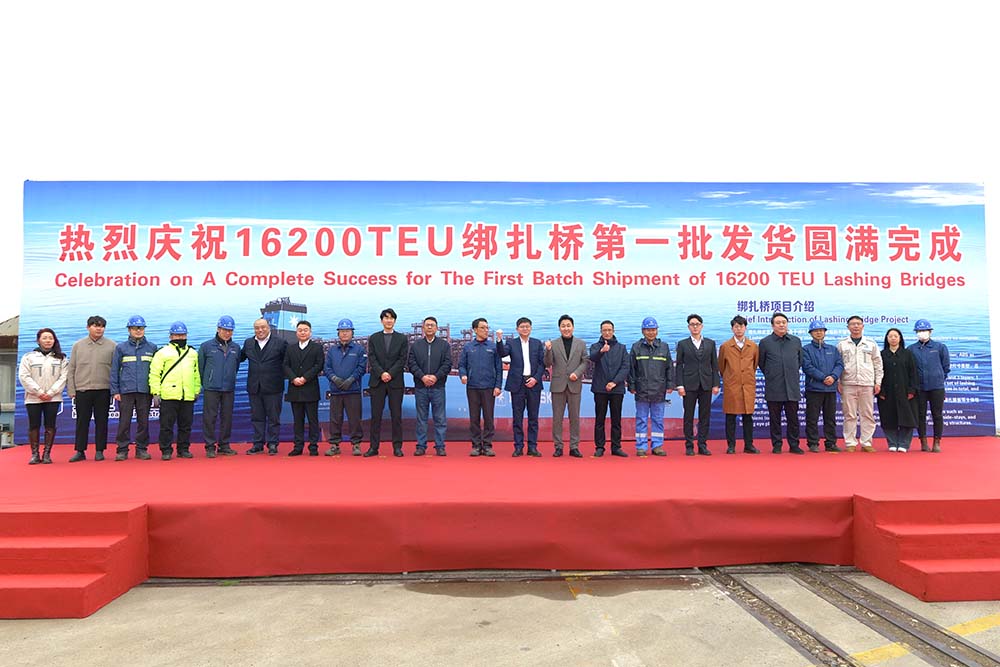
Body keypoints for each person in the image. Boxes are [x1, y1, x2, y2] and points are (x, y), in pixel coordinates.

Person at [66, 315, 116, 462]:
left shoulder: (112, 345)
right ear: (88, 327)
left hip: (103, 390)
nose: (99, 329)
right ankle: (80, 451)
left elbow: (116, 370)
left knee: (102, 421)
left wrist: (115, 390)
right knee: (82, 422)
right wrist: (71, 389)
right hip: (83, 390)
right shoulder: (78, 345)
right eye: (95, 326)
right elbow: (71, 368)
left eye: (101, 326)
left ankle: (100, 450)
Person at [149, 322, 201, 460]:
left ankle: (183, 449)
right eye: (177, 335)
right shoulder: (162, 352)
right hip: (169, 395)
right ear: (171, 336)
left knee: (186, 426)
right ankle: (166, 450)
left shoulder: (192, 353)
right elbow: (154, 374)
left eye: (183, 335)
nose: (180, 337)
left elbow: (196, 374)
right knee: (166, 426)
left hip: (187, 395)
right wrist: (156, 392)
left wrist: (196, 390)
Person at [496, 317, 545, 457]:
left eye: (527, 326)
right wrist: (499, 340)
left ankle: (532, 447)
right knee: (517, 417)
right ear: (517, 329)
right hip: (517, 384)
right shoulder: (511, 343)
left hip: (533, 383)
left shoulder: (537, 343)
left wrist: (535, 378)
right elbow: (502, 353)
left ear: (531, 328)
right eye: (522, 327)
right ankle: (518, 447)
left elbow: (542, 364)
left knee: (533, 417)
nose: (525, 329)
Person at [110, 315, 158, 461]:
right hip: (126, 391)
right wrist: (115, 391)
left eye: (141, 328)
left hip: (145, 391)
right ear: (129, 329)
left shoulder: (152, 348)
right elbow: (114, 370)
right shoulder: (121, 348)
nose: (138, 331)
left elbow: (156, 371)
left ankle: (141, 449)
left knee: (143, 422)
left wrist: (155, 390)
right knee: (124, 422)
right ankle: (122, 450)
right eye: (135, 328)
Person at [18, 328, 68, 465]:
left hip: (53, 397)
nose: (48, 341)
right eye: (44, 338)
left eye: (50, 338)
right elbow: (24, 376)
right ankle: (35, 454)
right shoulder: (28, 357)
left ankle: (47, 454)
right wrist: (38, 391)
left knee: (50, 425)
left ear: (54, 340)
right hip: (33, 397)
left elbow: (64, 377)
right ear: (38, 340)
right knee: (34, 425)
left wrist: (51, 392)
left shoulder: (61, 358)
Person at [758, 312, 804, 454]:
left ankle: (794, 445)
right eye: (778, 323)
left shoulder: (796, 341)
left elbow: (799, 361)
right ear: (772, 326)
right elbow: (762, 363)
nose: (781, 325)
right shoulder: (765, 342)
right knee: (775, 419)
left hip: (792, 386)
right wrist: (773, 374)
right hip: (774, 386)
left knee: (793, 418)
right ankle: (777, 444)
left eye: (784, 322)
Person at [240, 317, 288, 455]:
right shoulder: (248, 343)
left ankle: (273, 444)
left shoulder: (280, 343)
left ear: (269, 328)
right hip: (254, 387)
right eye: (257, 328)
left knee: (273, 418)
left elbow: (288, 363)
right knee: (257, 418)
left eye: (263, 327)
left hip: (273, 387)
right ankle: (258, 444)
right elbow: (239, 358)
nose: (260, 330)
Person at [627, 317, 674, 457]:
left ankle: (657, 446)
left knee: (658, 419)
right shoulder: (636, 347)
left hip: (659, 389)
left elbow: (669, 368)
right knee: (641, 419)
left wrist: (670, 384)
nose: (651, 332)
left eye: (653, 329)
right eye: (648, 330)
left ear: (657, 331)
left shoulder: (664, 347)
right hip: (641, 389)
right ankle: (641, 446)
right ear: (643, 331)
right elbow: (631, 368)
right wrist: (632, 385)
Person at [674, 314, 720, 456]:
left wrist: (716, 384)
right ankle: (689, 445)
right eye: (692, 324)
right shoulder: (682, 344)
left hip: (706, 384)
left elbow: (714, 366)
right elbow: (679, 366)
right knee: (688, 416)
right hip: (689, 385)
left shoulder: (710, 343)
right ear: (689, 327)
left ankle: (702, 445)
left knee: (704, 416)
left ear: (702, 326)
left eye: (697, 324)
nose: (695, 327)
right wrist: (679, 385)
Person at [365, 307, 408, 457]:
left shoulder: (402, 339)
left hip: (395, 382)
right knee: (375, 416)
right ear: (381, 320)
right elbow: (372, 358)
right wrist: (382, 373)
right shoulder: (374, 338)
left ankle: (397, 447)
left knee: (396, 416)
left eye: (391, 318)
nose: (388, 320)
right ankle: (373, 447)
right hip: (377, 381)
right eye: (386, 318)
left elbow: (402, 359)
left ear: (394, 321)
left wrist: (390, 373)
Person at [544, 314, 588, 458]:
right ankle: (558, 446)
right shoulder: (553, 343)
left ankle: (574, 446)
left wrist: (577, 373)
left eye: (568, 325)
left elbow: (585, 362)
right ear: (559, 328)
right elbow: (548, 363)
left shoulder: (581, 344)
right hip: (558, 386)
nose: (566, 328)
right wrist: (548, 350)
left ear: (573, 327)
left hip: (574, 384)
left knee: (574, 417)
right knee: (557, 418)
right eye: (563, 326)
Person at [837, 315, 883, 453]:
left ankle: (866, 443)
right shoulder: (842, 344)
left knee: (867, 414)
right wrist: (838, 382)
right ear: (848, 327)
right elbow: (837, 365)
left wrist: (878, 382)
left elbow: (878, 364)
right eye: (853, 324)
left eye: (858, 324)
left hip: (867, 384)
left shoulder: (871, 344)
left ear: (863, 326)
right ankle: (850, 443)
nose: (856, 326)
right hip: (848, 383)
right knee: (849, 415)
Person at [198, 315, 242, 458]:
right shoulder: (206, 346)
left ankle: (224, 445)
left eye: (230, 330)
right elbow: (201, 368)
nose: (227, 333)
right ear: (218, 329)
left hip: (228, 388)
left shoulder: (236, 347)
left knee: (227, 417)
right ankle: (210, 446)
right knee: (210, 417)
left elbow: (236, 367)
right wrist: (207, 382)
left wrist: (230, 378)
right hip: (211, 388)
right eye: (224, 329)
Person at [407, 316, 451, 456]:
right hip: (421, 387)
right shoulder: (416, 345)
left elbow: (447, 364)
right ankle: (421, 446)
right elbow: (411, 364)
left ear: (437, 328)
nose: (430, 327)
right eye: (427, 325)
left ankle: (440, 446)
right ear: (423, 328)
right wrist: (423, 377)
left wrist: (435, 377)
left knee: (440, 418)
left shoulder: (444, 345)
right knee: (421, 419)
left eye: (432, 325)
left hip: (438, 387)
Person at [459, 317, 503, 456]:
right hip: (472, 387)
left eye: (487, 328)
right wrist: (463, 375)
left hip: (489, 387)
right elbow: (462, 365)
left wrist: (498, 386)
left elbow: (499, 368)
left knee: (489, 418)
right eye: (483, 328)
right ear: (475, 330)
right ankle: (476, 445)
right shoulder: (468, 347)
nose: (486, 330)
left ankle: (488, 445)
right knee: (474, 418)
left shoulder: (493, 347)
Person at [324, 318, 368, 457]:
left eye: (347, 331)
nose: (344, 333)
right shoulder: (332, 350)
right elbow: (327, 368)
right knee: (335, 419)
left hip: (353, 389)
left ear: (352, 333)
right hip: (336, 390)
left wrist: (351, 379)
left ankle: (356, 444)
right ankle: (334, 445)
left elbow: (362, 367)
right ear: (338, 333)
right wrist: (335, 379)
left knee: (355, 419)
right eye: (342, 331)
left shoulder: (359, 349)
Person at [717, 315, 759, 455]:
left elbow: (754, 365)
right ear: (732, 329)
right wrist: (731, 378)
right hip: (732, 386)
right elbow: (721, 367)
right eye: (736, 326)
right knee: (730, 417)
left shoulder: (753, 346)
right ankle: (731, 445)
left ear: (745, 328)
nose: (739, 329)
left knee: (748, 417)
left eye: (741, 326)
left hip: (747, 385)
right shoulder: (725, 346)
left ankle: (749, 445)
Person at [801, 318, 843, 453]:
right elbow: (807, 367)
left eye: (821, 330)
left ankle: (831, 443)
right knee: (812, 418)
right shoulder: (806, 349)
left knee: (830, 418)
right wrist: (823, 377)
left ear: (825, 332)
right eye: (815, 331)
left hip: (830, 389)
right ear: (810, 333)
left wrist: (834, 377)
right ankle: (813, 443)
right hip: (814, 389)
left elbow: (839, 364)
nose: (818, 333)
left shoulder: (832, 349)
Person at [588, 320, 630, 457]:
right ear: (601, 331)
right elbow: (592, 358)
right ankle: (600, 447)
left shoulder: (621, 348)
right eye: (604, 330)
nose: (607, 332)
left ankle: (616, 447)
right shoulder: (595, 346)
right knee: (599, 419)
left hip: (617, 389)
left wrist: (614, 382)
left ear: (613, 331)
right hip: (600, 388)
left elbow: (625, 367)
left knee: (616, 420)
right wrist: (601, 351)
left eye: (609, 330)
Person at [283, 320, 325, 456]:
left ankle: (313, 446)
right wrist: (293, 378)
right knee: (298, 420)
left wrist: (305, 378)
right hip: (294, 388)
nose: (303, 332)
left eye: (305, 330)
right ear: (296, 332)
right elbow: (285, 365)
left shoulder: (317, 348)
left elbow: (319, 365)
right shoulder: (290, 348)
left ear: (310, 332)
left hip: (310, 388)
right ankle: (298, 446)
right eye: (300, 330)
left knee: (313, 420)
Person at [908, 318, 949, 453]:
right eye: (919, 331)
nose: (922, 333)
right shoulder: (911, 349)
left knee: (937, 414)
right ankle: (923, 441)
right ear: (916, 333)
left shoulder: (940, 347)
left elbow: (946, 367)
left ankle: (937, 441)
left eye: (924, 330)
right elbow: (909, 369)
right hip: (919, 388)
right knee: (920, 415)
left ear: (930, 332)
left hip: (936, 387)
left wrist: (938, 378)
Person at [878, 328, 919, 452]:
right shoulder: (881, 355)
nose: (893, 338)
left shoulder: (908, 354)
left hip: (905, 392)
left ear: (900, 338)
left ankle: (904, 443)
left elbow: (913, 373)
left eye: (896, 336)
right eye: (890, 336)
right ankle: (892, 442)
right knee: (888, 417)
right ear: (887, 339)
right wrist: (881, 391)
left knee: (907, 418)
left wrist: (912, 390)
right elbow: (877, 373)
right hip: (887, 393)